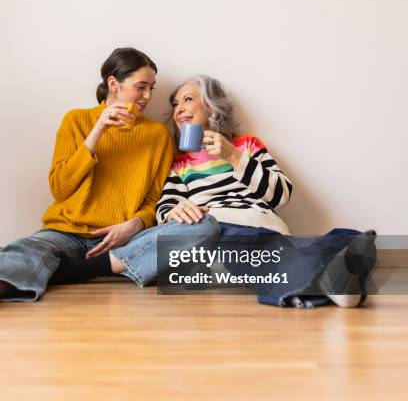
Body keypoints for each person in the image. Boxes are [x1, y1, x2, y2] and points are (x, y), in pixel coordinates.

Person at [0, 50, 219, 302]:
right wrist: (96, 133)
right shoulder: (76, 120)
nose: (148, 96)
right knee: (23, 251)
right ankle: (117, 267)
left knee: (204, 226)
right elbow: (60, 189)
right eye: (141, 87)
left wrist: (133, 225)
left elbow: (154, 200)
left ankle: (88, 269)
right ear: (113, 83)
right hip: (67, 232)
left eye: (151, 88)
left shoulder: (157, 135)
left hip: (128, 240)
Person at [154, 75, 377, 308]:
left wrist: (233, 156)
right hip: (222, 229)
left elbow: (280, 195)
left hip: (267, 227)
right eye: (175, 104)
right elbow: (164, 210)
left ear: (211, 105)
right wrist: (176, 210)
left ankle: (334, 279)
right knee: (257, 253)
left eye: (187, 99)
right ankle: (336, 280)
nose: (178, 110)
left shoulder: (247, 146)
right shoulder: (181, 164)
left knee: (344, 237)